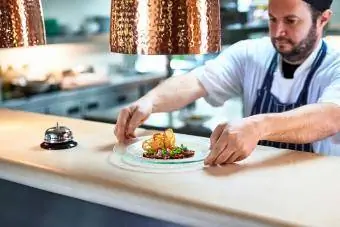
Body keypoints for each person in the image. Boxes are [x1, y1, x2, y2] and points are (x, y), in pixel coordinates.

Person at [115, 0, 340, 165]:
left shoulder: (336, 64)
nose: (278, 31)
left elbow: (330, 117)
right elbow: (196, 81)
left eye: (291, 21)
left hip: (312, 186)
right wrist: (150, 102)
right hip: (254, 178)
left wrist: (258, 126)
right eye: (272, 19)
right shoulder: (251, 53)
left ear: (322, 19)